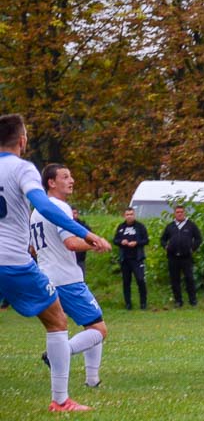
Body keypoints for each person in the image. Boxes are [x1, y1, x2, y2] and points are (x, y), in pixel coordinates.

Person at [0, 113, 111, 412]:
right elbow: (45, 206)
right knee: (58, 320)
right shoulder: (23, 169)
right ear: (22, 140)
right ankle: (61, 400)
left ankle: (90, 380)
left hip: (30, 264)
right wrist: (87, 234)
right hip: (15, 262)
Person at [30, 164, 108, 391]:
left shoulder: (36, 212)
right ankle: (58, 355)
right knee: (98, 330)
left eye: (71, 175)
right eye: (65, 176)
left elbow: (33, 249)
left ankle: (93, 380)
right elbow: (71, 243)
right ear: (51, 183)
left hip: (46, 278)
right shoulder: (59, 207)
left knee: (89, 324)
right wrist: (95, 244)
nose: (71, 180)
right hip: (67, 279)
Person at [160, 205, 202, 307]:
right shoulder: (170, 226)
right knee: (175, 280)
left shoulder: (191, 225)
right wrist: (166, 246)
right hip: (173, 257)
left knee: (189, 278)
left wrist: (192, 248)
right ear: (174, 214)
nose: (179, 214)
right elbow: (163, 239)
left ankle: (193, 301)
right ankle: (178, 301)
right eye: (177, 212)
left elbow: (198, 238)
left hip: (186, 257)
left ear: (185, 213)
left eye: (181, 212)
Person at [113, 207, 149, 310]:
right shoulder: (121, 227)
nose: (129, 216)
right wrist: (121, 242)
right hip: (125, 259)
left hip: (137, 258)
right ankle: (128, 304)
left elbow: (146, 240)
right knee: (126, 282)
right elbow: (115, 240)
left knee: (141, 280)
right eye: (127, 214)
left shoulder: (140, 227)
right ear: (124, 216)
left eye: (131, 214)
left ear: (134, 215)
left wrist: (137, 243)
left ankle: (143, 303)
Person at [71, 208, 91, 279]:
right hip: (67, 258)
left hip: (80, 257)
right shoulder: (64, 226)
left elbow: (90, 236)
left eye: (75, 213)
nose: (73, 215)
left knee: (81, 278)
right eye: (72, 213)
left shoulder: (83, 226)